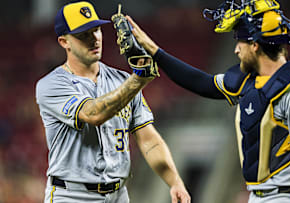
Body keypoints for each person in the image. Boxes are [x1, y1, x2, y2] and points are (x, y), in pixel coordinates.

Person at [126, 0, 290, 202]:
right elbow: (201, 83)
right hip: (258, 196)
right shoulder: (249, 82)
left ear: (255, 45)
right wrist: (154, 51)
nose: (236, 50)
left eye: (239, 41)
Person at [35, 1, 190, 203]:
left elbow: (148, 140)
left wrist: (175, 181)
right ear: (65, 42)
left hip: (118, 194)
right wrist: (138, 80)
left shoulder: (122, 80)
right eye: (83, 34)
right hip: (72, 195)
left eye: (96, 30)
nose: (94, 39)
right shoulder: (51, 85)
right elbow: (93, 114)